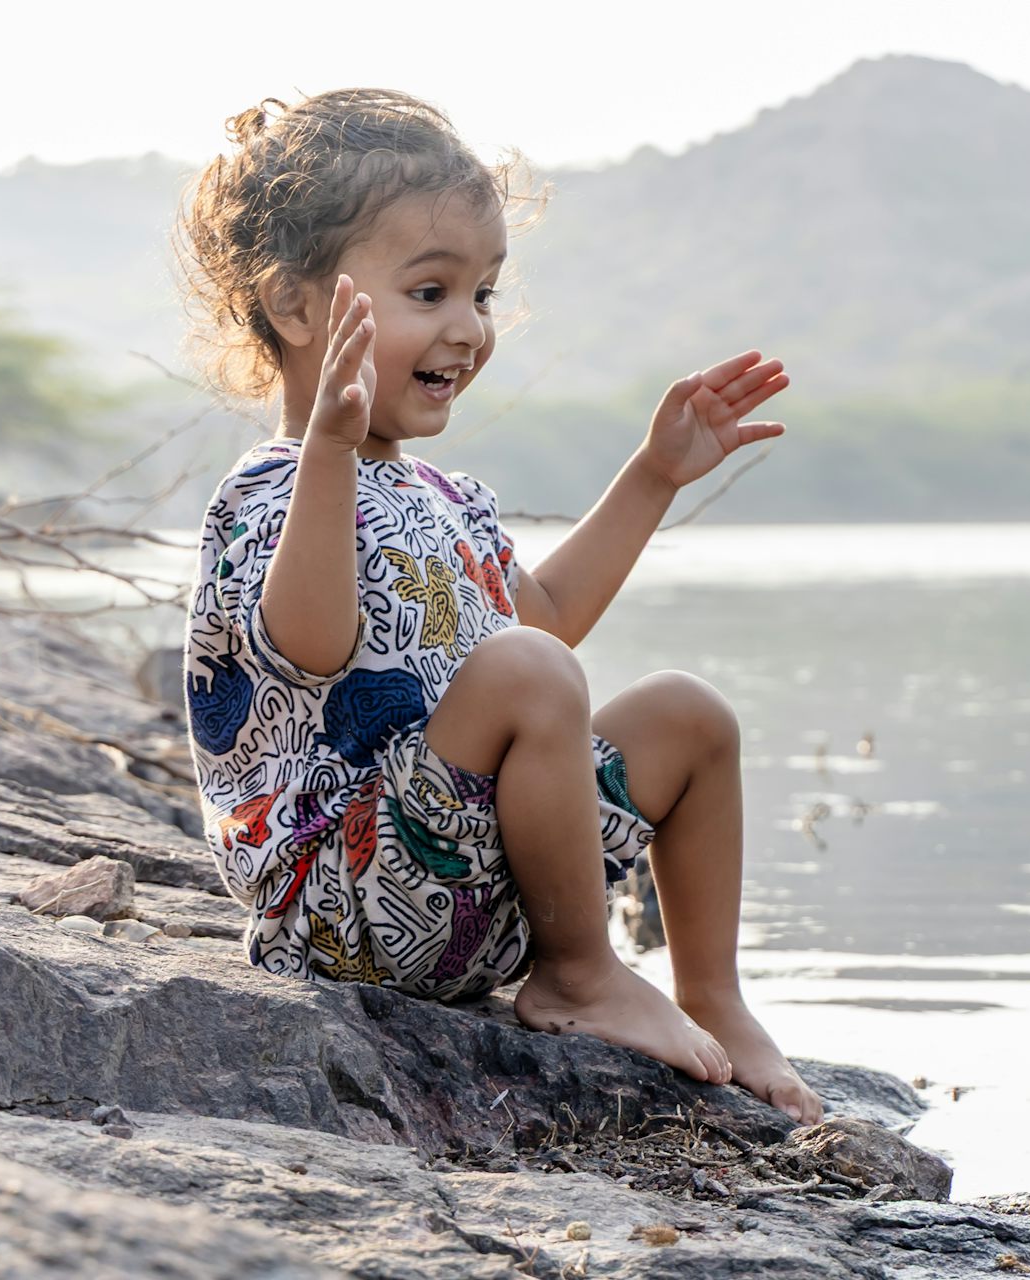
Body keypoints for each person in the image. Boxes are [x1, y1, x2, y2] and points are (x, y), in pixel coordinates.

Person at [177, 88, 822, 1123]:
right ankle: (582, 973)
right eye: (430, 291)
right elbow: (311, 636)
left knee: (687, 714)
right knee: (529, 671)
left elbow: (546, 612)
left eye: (483, 293)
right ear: (298, 307)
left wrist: (654, 474)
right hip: (351, 906)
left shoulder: (447, 499)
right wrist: (332, 456)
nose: (470, 328)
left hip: (477, 888)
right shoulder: (271, 492)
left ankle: (713, 991)